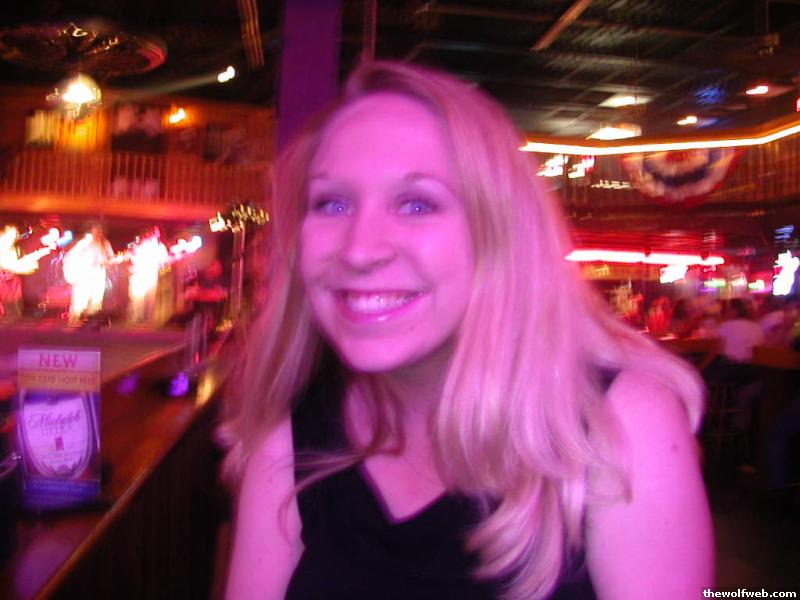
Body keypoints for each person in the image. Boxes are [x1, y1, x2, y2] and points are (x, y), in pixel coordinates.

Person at [222, 61, 713, 599]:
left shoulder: (619, 425)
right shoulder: (290, 434)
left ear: (500, 233)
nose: (360, 250)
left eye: (417, 203)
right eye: (331, 203)